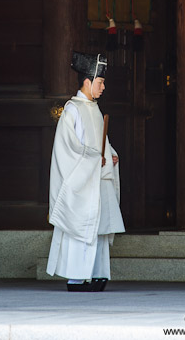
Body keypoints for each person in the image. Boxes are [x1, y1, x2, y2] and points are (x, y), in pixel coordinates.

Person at [46, 51, 125, 291]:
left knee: (99, 228)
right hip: (81, 182)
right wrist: (93, 160)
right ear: (88, 81)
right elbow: (67, 148)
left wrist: (111, 156)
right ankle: (77, 277)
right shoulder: (72, 110)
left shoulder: (94, 109)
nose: (102, 88)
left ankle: (98, 273)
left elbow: (102, 143)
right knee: (81, 226)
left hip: (98, 179)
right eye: (100, 83)